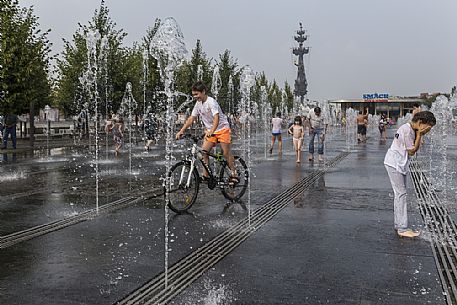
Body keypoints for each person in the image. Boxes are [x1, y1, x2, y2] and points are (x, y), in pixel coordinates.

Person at [384, 111, 436, 238]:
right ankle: (402, 228)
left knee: (400, 194)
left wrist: (419, 134)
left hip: (398, 163)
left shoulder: (409, 129)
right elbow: (412, 151)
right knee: (401, 194)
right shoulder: (408, 130)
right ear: (420, 123)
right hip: (394, 164)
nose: (427, 131)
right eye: (427, 127)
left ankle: (399, 225)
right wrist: (419, 134)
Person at [175, 81, 239, 184]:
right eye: (193, 95)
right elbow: (192, 118)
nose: (195, 97)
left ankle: (234, 173)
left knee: (226, 153)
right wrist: (181, 131)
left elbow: (216, 118)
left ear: (203, 92)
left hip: (222, 129)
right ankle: (206, 176)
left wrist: (212, 131)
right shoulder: (198, 104)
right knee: (203, 152)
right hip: (211, 131)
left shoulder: (211, 102)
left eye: (197, 94)